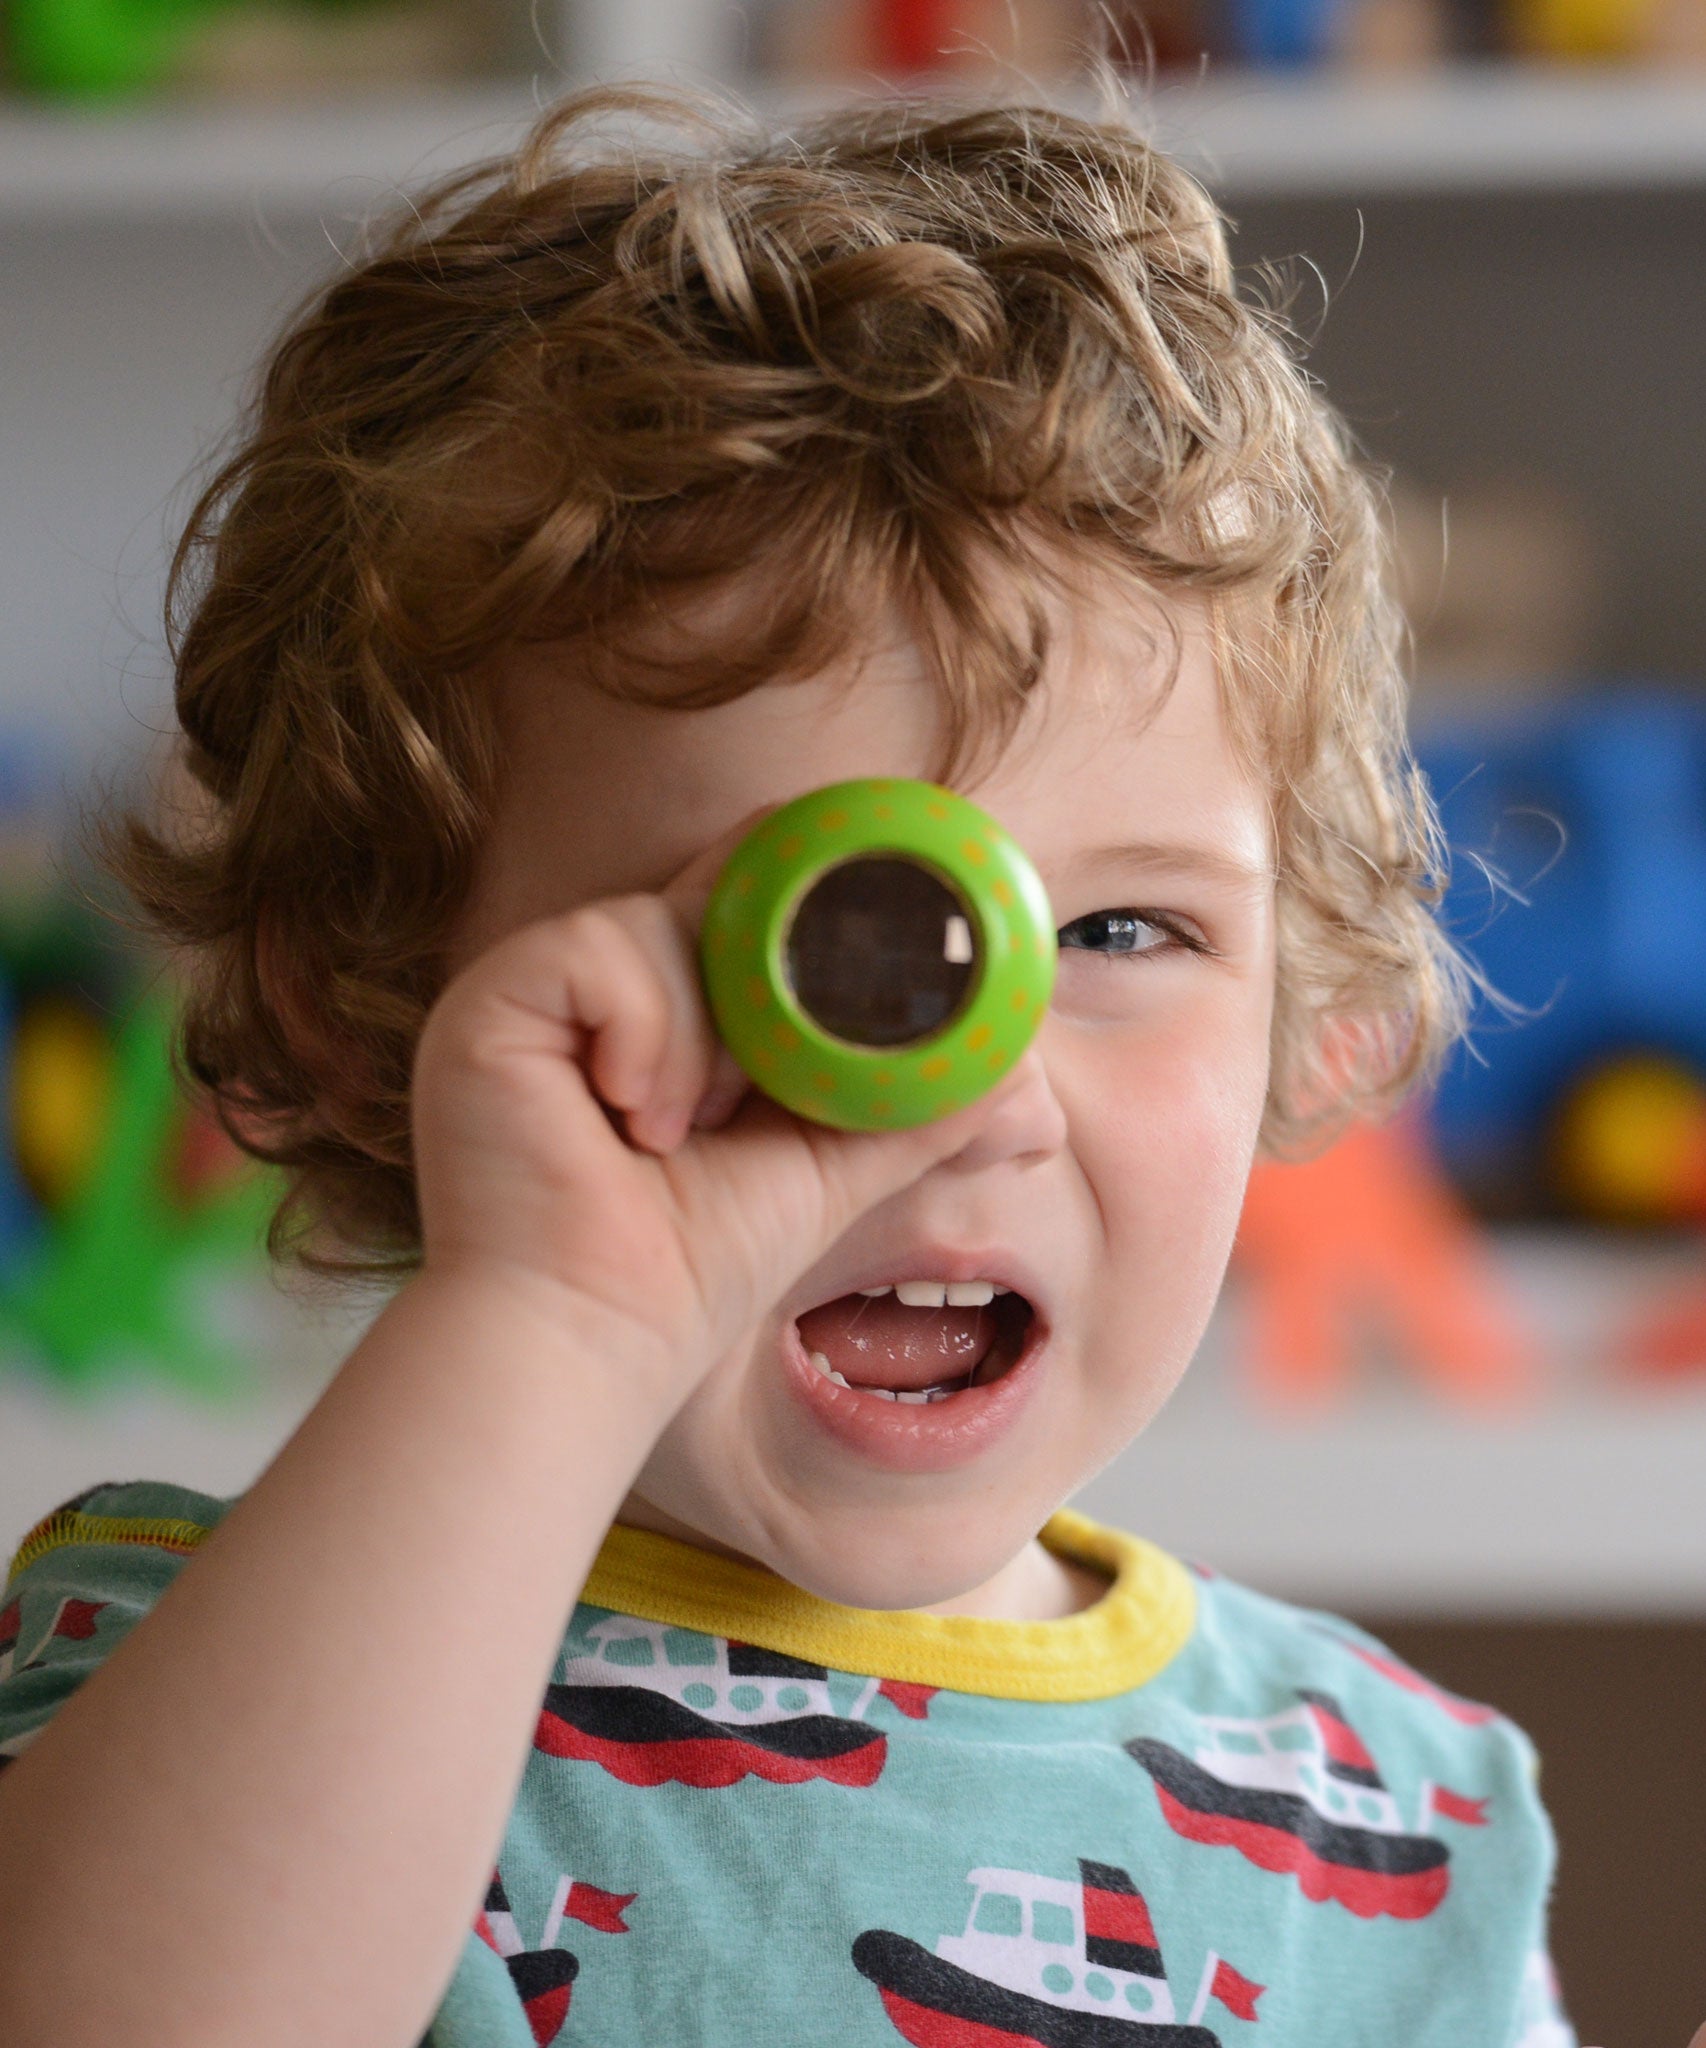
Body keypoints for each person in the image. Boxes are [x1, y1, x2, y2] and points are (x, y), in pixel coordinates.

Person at [0, 86, 1585, 2048]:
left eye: (1114, 935)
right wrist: (569, 1306)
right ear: (366, 1003)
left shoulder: (1394, 1822)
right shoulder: (217, 1681)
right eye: (803, 948)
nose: (950, 1085)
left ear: (1302, 1000)